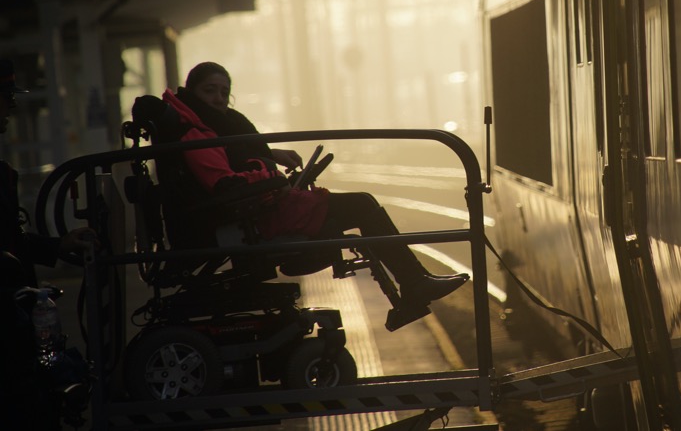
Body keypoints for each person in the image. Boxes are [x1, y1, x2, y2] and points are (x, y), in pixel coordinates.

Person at [161, 61, 467, 308]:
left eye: (223, 92)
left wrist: (270, 158)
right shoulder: (197, 134)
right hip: (250, 218)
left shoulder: (210, 127)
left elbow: (237, 163)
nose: (217, 98)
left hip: (257, 210)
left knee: (355, 207)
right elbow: (224, 185)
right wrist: (271, 177)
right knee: (362, 204)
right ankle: (415, 283)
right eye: (209, 90)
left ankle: (415, 283)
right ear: (191, 92)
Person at [0, 58, 96, 429]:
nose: (11, 106)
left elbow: (13, 238)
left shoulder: (3, 172)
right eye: (5, 96)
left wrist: (57, 246)